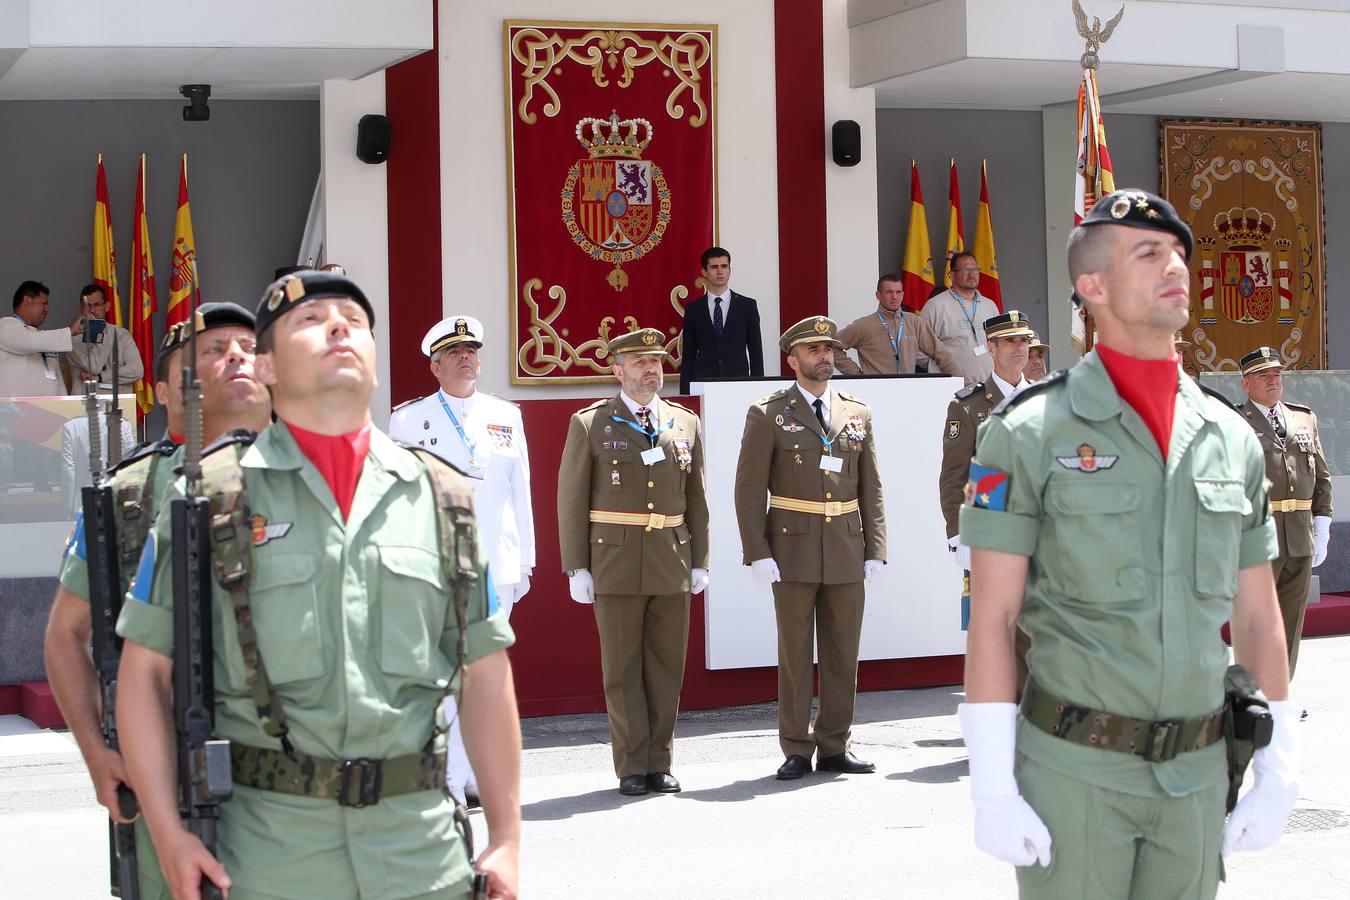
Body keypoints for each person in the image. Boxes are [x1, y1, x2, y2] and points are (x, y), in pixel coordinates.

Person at [116, 271, 522, 900]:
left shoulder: (444, 500)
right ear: (269, 367)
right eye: (310, 320)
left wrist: (506, 837)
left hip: (421, 856)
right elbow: (143, 675)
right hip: (270, 859)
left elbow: (487, 675)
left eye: (353, 321)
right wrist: (169, 835)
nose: (337, 326)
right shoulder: (210, 496)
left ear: (376, 363)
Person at [958, 189, 1297, 898]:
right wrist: (991, 783)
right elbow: (993, 616)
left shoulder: (1231, 439)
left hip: (1198, 777)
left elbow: (1261, 618)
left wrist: (1280, 767)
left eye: (1178, 251)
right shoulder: (1025, 433)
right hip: (1075, 773)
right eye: (1149, 253)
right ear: (1093, 286)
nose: (1175, 265)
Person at [45, 301, 268, 900]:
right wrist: (97, 750)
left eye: (247, 349)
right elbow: (66, 634)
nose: (234, 361)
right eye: (210, 353)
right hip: (168, 763)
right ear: (166, 392)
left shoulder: (319, 474)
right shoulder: (132, 491)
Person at [390, 314, 536, 806]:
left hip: (500, 562)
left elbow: (522, 491)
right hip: (441, 566)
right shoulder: (409, 420)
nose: (466, 357)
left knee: (485, 676)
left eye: (471, 349)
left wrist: (527, 561)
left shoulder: (505, 415)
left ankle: (471, 774)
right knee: (452, 676)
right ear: (435, 366)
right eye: (454, 352)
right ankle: (449, 780)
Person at [557, 327, 709, 796]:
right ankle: (630, 765)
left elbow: (696, 498)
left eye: (656, 361)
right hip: (615, 562)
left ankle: (659, 761)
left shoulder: (684, 423)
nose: (651, 370)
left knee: (666, 667)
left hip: (670, 556)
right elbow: (571, 498)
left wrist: (700, 558)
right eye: (640, 363)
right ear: (617, 370)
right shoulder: (590, 423)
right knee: (622, 670)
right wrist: (576, 566)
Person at [733, 316, 886, 780]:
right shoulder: (768, 412)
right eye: (814, 349)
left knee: (843, 652)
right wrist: (756, 550)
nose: (825, 356)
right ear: (792, 359)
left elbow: (872, 487)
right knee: (796, 653)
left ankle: (836, 744)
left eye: (829, 348)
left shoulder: (857, 411)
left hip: (845, 543)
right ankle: (797, 747)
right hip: (792, 547)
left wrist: (876, 547)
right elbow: (748, 488)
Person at [1235, 347, 1332, 678]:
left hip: (1299, 536)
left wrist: (1323, 526)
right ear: (1246, 384)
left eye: (1276, 373)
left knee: (1291, 619)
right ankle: (1252, 693)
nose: (1272, 380)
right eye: (1263, 375)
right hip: (1259, 535)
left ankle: (1281, 692)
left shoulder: (1303, 417)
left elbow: (1321, 474)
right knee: (1256, 621)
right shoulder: (1234, 421)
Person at [939, 311, 1033, 591]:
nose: (1019, 347)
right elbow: (954, 475)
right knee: (996, 625)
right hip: (992, 530)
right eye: (1009, 341)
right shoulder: (968, 405)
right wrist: (958, 534)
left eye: (1023, 340)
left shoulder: (1045, 398)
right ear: (991, 348)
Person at [832, 274, 966, 378]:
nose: (894, 297)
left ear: (903, 295)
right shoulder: (864, 325)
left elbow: (941, 352)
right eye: (889, 292)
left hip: (907, 391)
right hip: (875, 392)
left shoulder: (915, 322)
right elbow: (832, 347)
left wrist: (960, 380)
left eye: (898, 292)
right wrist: (857, 375)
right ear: (878, 295)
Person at [678, 246, 764, 394]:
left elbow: (756, 351)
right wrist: (686, 391)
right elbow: (688, 355)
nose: (720, 271)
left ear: (729, 270)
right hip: (703, 383)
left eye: (724, 266)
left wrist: (757, 389)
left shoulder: (747, 306)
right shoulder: (693, 309)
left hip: (739, 382)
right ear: (704, 272)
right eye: (714, 267)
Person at [919, 252, 997, 384]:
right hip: (950, 388)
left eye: (975, 269)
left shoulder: (990, 306)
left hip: (989, 387)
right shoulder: (935, 306)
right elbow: (918, 350)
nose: (972, 274)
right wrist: (940, 373)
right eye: (965, 270)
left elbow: (999, 345)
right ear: (953, 275)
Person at [1, 280, 82, 396]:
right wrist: (71, 331)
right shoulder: (5, 325)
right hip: (15, 410)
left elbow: (57, 380)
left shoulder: (45, 338)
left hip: (48, 408)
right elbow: (28, 341)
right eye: (44, 303)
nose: (47, 309)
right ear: (27, 301)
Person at [58, 399, 137, 517]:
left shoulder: (71, 426)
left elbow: (68, 469)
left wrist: (68, 504)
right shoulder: (123, 424)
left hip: (82, 500)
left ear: (83, 403)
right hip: (116, 496)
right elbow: (131, 462)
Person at [65, 284, 144, 391]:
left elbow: (137, 370)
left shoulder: (121, 334)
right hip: (85, 403)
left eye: (97, 304)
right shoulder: (72, 337)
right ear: (81, 309)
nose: (92, 310)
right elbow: (94, 366)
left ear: (107, 306)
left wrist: (101, 377)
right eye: (87, 305)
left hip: (119, 402)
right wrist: (98, 331)